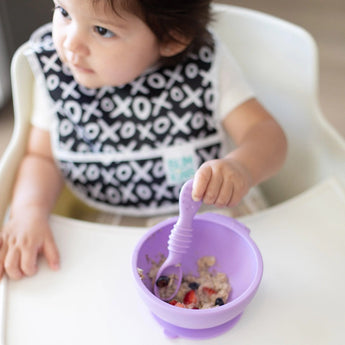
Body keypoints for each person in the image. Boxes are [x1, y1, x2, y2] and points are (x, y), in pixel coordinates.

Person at [0, 0, 287, 280]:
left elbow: (265, 133)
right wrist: (28, 212)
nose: (70, 43)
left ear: (171, 38)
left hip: (213, 216)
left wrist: (242, 167)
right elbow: (42, 157)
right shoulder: (58, 73)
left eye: (102, 30)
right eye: (64, 12)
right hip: (110, 224)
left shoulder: (202, 67)